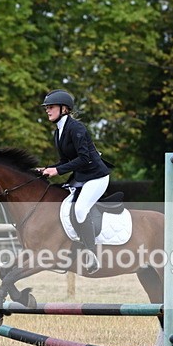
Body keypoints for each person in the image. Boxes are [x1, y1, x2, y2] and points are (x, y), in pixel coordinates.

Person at [39, 89, 110, 274]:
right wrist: (48, 169)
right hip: (81, 177)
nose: (47, 110)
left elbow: (84, 158)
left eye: (51, 107)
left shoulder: (76, 128)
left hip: (96, 176)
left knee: (79, 209)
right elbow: (65, 161)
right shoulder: (59, 132)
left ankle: (91, 253)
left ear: (64, 109)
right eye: (46, 107)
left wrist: (57, 170)